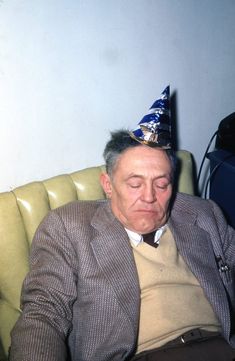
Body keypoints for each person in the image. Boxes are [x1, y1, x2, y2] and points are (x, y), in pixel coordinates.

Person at [10, 87, 235, 361]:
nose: (150, 197)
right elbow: (44, 312)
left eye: (162, 184)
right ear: (108, 184)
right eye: (135, 184)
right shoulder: (69, 226)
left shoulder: (205, 214)